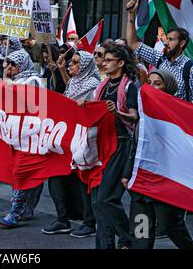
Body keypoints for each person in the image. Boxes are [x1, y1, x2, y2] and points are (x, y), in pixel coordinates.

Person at [122, 68, 193, 249]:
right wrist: (126, 174)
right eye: (150, 83)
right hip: (142, 186)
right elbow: (136, 148)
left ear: (168, 88)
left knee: (171, 226)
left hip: (164, 185)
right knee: (141, 234)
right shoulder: (143, 117)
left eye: (158, 84)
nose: (152, 87)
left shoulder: (177, 117)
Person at [78, 45, 138, 249]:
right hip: (100, 145)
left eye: (109, 59)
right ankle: (104, 245)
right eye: (104, 59)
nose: (104, 62)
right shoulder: (101, 87)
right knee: (96, 202)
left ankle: (129, 237)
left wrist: (117, 112)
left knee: (106, 199)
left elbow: (134, 117)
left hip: (120, 144)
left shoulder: (130, 87)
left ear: (120, 63)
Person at [42, 51, 100, 237]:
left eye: (75, 63)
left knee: (83, 179)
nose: (70, 65)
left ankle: (89, 222)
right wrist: (60, 69)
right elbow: (69, 92)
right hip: (66, 136)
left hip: (84, 140)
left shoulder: (93, 85)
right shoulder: (75, 82)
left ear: (85, 66)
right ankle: (62, 218)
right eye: (71, 62)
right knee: (56, 174)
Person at [0, 48, 44, 228]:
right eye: (9, 64)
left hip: (31, 137)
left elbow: (33, 104)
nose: (11, 68)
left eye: (13, 65)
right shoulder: (15, 80)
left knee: (21, 174)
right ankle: (24, 210)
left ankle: (15, 213)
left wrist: (11, 86)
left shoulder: (34, 80)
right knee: (23, 175)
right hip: (16, 136)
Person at [126, 0, 193, 102]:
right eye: (167, 39)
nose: (166, 43)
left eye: (170, 40)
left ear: (182, 43)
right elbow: (133, 44)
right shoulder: (160, 59)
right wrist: (131, 14)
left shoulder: (190, 68)